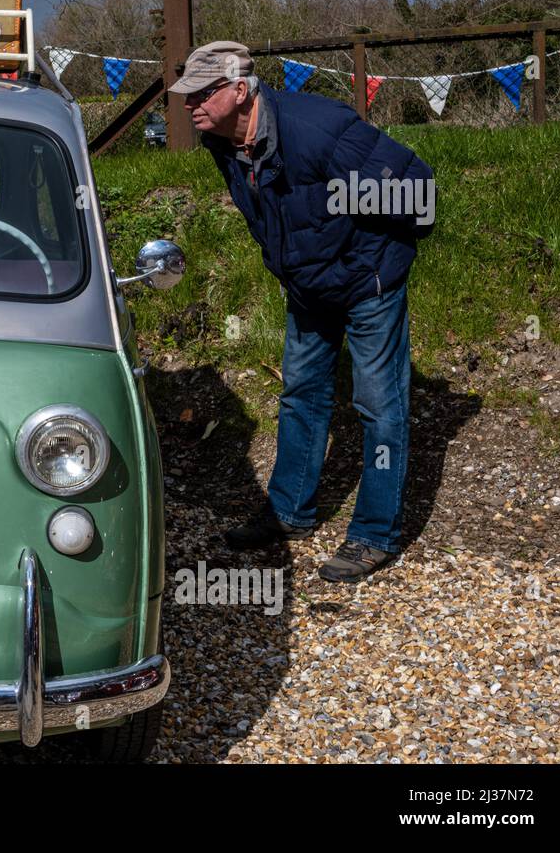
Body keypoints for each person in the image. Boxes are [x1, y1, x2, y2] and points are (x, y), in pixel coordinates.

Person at [170, 41, 435, 583]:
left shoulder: (319, 128)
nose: (190, 104)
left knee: (378, 406)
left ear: (239, 91)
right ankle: (289, 511)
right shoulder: (220, 140)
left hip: (368, 280)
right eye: (187, 95)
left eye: (201, 93)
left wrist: (350, 218)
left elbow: (419, 193)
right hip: (309, 287)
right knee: (301, 393)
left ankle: (374, 535)